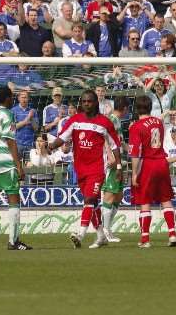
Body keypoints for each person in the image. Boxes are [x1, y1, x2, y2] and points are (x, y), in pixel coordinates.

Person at [48, 89, 122, 249]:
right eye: (84, 101)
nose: (86, 104)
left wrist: (119, 166)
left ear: (96, 102)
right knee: (92, 203)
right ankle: (101, 236)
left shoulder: (105, 122)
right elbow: (62, 137)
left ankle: (80, 234)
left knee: (89, 200)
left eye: (89, 101)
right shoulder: (75, 120)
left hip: (97, 169)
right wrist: (52, 146)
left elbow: (115, 146)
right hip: (80, 168)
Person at [0, 86, 32, 251]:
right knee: (14, 199)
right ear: (6, 99)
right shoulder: (8, 114)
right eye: (12, 97)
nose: (13, 100)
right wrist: (19, 166)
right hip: (4, 162)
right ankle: (13, 241)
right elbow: (10, 140)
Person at [129, 95, 176, 248]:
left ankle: (145, 239)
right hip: (162, 162)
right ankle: (172, 234)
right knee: (165, 199)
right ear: (150, 107)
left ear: (136, 109)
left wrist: (134, 173)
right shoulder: (158, 122)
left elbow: (136, 153)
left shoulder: (136, 127)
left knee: (145, 201)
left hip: (148, 164)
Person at [101, 96, 129, 242]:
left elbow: (119, 142)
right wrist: (110, 155)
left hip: (119, 160)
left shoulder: (117, 121)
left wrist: (130, 149)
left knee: (119, 195)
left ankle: (106, 228)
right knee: (110, 193)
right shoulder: (111, 119)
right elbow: (104, 137)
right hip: (111, 160)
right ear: (124, 109)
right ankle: (105, 230)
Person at [11, 90, 40, 161]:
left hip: (30, 144)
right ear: (18, 98)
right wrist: (26, 121)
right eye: (22, 97)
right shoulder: (13, 111)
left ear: (28, 99)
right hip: (17, 144)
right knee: (16, 167)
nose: (24, 99)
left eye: (26, 97)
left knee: (29, 167)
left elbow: (36, 128)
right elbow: (12, 128)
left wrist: (32, 118)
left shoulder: (33, 111)